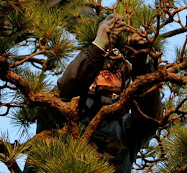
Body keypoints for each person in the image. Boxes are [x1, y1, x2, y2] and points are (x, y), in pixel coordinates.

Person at [27, 15, 163, 172]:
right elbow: (66, 90)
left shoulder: (125, 129)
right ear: (91, 77)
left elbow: (150, 117)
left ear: (124, 84)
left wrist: (142, 65)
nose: (108, 71)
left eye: (116, 69)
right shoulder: (63, 110)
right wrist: (96, 48)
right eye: (103, 67)